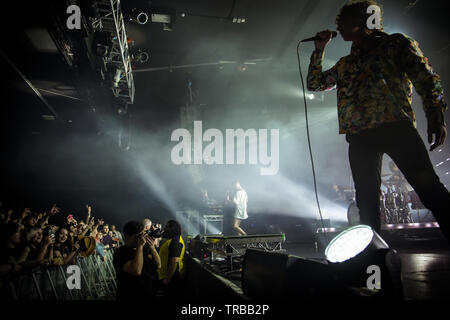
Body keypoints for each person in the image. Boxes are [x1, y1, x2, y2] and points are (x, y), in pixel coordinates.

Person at [306, 0, 450, 239]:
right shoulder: (346, 63)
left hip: (396, 128)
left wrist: (435, 114)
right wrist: (319, 50)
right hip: (361, 136)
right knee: (366, 200)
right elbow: (315, 84)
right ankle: (373, 261)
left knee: (429, 189)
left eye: (343, 21)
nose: (337, 27)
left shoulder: (395, 44)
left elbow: (426, 78)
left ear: (361, 22)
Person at [113, 221, 161, 301]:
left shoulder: (144, 249)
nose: (141, 238)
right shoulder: (120, 253)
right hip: (130, 295)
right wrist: (140, 246)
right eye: (138, 236)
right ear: (127, 236)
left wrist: (152, 247)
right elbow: (136, 270)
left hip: (148, 293)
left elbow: (158, 265)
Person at [157, 220, 185, 299]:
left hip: (171, 278)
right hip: (165, 276)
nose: (164, 229)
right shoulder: (171, 240)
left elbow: (174, 261)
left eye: (166, 227)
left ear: (172, 228)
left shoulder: (176, 241)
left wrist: (167, 279)